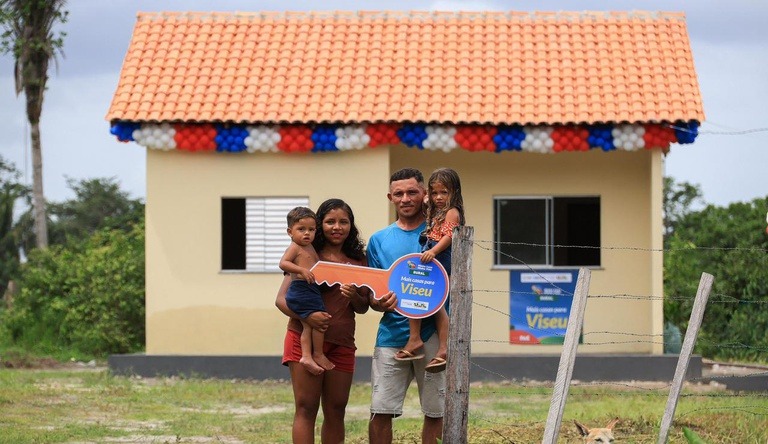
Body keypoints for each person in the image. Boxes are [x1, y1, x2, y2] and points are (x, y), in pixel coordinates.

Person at [276, 199, 371, 444]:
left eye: (343, 222)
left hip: (342, 344)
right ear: (320, 225)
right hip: (302, 339)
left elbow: (362, 307)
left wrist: (354, 298)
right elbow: (281, 300)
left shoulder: (359, 260)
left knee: (337, 410)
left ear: (351, 226)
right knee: (306, 408)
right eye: (330, 222)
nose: (336, 227)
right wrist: (308, 317)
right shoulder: (307, 256)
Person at [367, 167, 445, 444]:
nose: (406, 198)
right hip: (391, 336)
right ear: (390, 197)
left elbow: (454, 282)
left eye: (412, 192)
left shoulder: (440, 234)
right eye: (399, 193)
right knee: (380, 410)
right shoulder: (378, 240)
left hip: (435, 333)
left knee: (437, 412)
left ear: (424, 194)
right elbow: (373, 295)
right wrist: (379, 302)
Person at [396, 167, 465, 373]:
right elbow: (425, 201)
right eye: (434, 193)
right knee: (417, 295)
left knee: (437, 305)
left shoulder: (452, 212)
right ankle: (414, 339)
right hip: (430, 255)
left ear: (455, 191)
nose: (438, 197)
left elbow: (448, 236)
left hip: (439, 257)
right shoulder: (436, 209)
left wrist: (433, 251)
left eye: (444, 192)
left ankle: (443, 348)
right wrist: (425, 198)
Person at [279, 206, 334, 375]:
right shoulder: (295, 247)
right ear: (290, 232)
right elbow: (283, 263)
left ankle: (307, 356)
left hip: (311, 290)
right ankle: (315, 354)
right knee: (317, 323)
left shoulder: (310, 248)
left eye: (311, 229)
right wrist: (301, 270)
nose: (307, 233)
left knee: (309, 327)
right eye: (301, 229)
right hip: (300, 290)